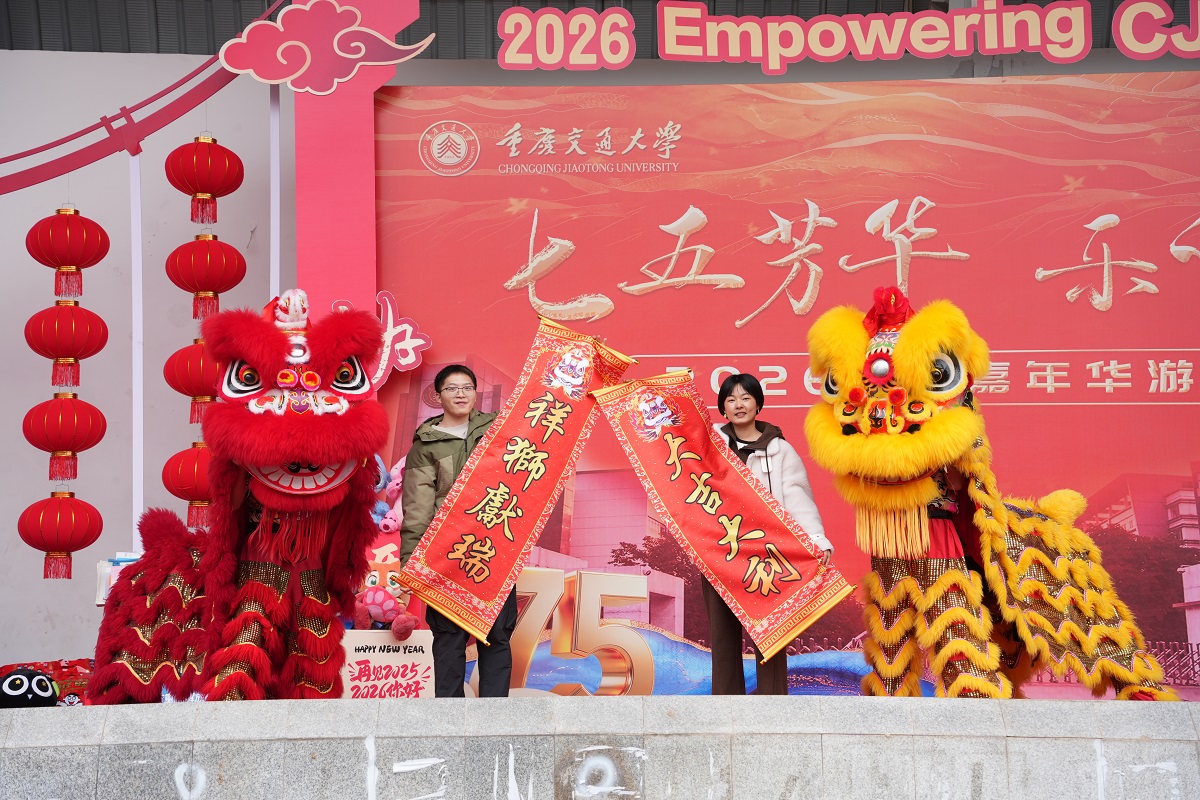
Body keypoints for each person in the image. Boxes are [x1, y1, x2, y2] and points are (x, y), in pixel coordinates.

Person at [705, 373, 834, 695]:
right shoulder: (708, 446)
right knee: (722, 635)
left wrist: (817, 540)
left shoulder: (780, 451)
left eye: (746, 398)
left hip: (767, 556)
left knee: (772, 633)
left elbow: (797, 498)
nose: (738, 405)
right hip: (719, 551)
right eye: (731, 399)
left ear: (758, 404)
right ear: (722, 407)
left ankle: (773, 702)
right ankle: (725, 704)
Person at [398, 364, 517, 698]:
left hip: (495, 549)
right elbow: (418, 509)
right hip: (447, 554)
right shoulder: (425, 446)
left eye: (467, 387)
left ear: (476, 393)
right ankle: (450, 719)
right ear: (438, 396)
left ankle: (494, 719)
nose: (461, 394)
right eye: (451, 388)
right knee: (449, 638)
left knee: (497, 635)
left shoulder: (499, 428)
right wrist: (410, 565)